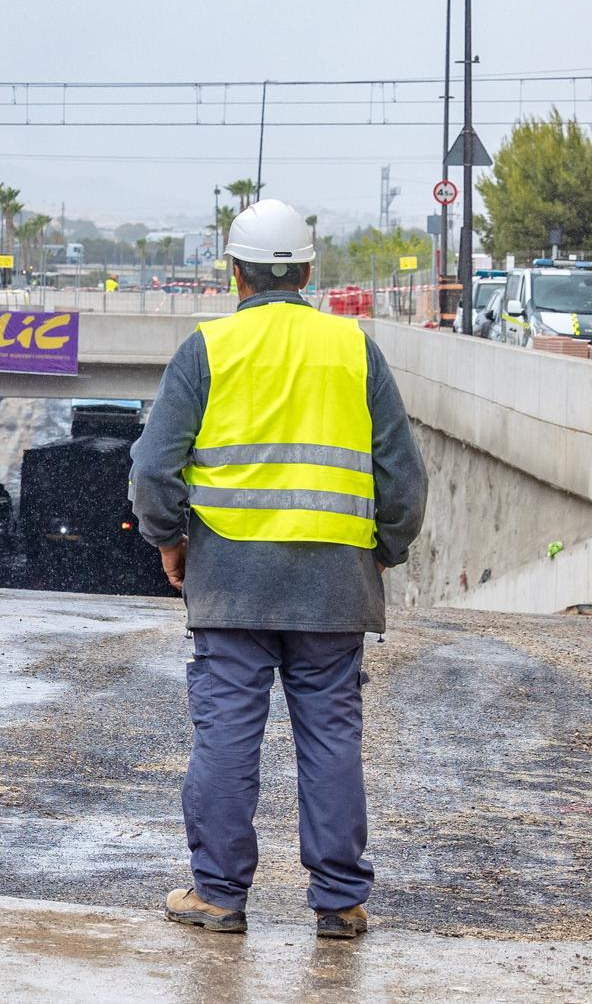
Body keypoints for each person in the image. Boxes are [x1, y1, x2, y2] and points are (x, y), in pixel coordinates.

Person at [130, 198, 426, 941]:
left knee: (227, 735)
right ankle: (339, 901)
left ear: (235, 272)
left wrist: (171, 540)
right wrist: (382, 549)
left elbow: (153, 469)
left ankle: (221, 895)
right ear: (306, 271)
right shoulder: (353, 347)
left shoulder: (209, 348)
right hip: (334, 585)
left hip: (230, 578)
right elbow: (405, 477)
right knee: (331, 736)